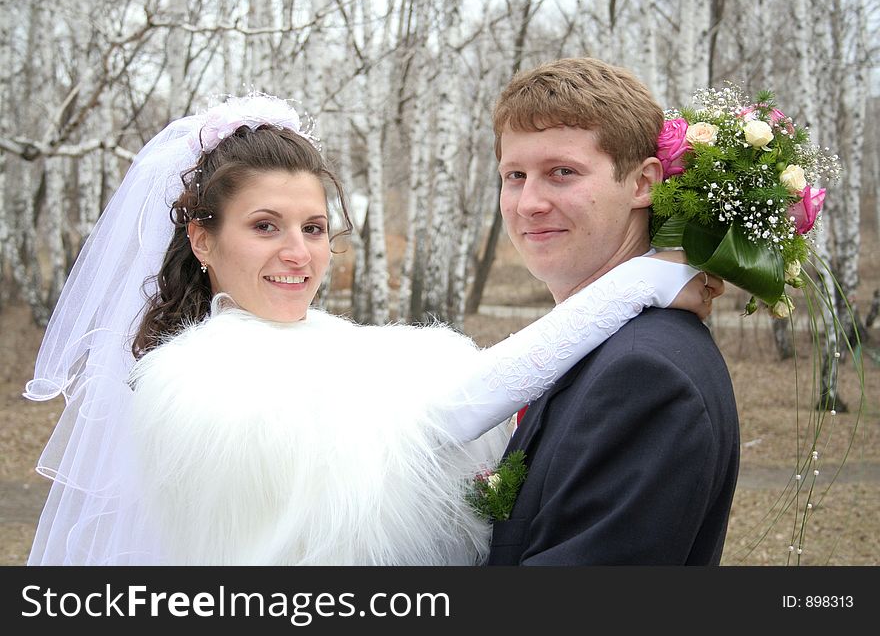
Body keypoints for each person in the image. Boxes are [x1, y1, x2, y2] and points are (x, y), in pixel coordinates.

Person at [25, 93, 719, 565]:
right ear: (203, 240)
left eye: (314, 227)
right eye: (265, 226)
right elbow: (449, 410)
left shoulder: (321, 340)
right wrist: (645, 281)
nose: (297, 253)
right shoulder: (191, 382)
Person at [485, 58, 739, 565]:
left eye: (562, 172)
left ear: (644, 183)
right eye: (515, 175)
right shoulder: (590, 345)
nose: (528, 202)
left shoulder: (645, 374)